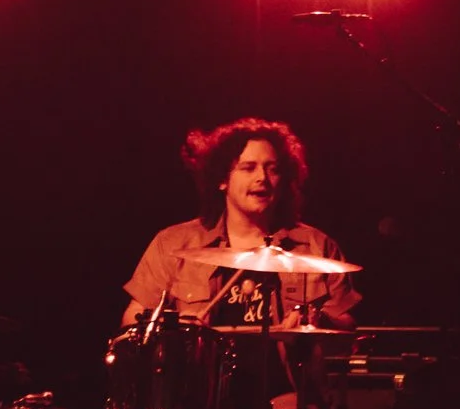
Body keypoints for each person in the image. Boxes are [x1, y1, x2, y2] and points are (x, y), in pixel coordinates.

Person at [121, 118, 359, 332]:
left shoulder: (316, 246)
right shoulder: (172, 244)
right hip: (202, 379)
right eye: (248, 168)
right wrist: (175, 327)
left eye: (273, 169)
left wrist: (317, 320)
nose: (262, 178)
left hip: (285, 380)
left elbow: (347, 324)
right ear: (222, 179)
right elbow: (132, 319)